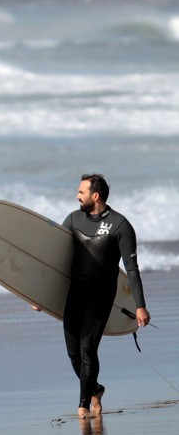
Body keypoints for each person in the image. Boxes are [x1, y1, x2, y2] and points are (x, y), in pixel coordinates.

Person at [62, 173, 150, 420]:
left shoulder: (120, 225)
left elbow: (131, 269)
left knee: (87, 348)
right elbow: (54, 258)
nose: (77, 196)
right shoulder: (72, 219)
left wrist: (140, 306)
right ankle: (96, 389)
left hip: (100, 297)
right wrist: (37, 293)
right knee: (73, 353)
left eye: (81, 192)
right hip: (74, 295)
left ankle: (83, 406)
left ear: (95, 195)